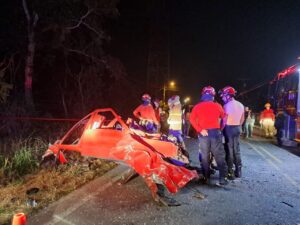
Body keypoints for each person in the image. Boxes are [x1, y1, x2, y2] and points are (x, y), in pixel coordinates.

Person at [190, 86, 228, 185]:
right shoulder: (217, 105)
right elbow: (224, 117)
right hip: (215, 133)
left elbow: (192, 119)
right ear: (213, 95)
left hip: (204, 134)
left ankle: (206, 177)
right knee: (219, 155)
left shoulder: (197, 106)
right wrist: (221, 128)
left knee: (204, 156)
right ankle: (222, 178)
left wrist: (200, 129)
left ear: (203, 94)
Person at [219, 86, 244, 179]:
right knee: (236, 150)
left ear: (228, 95)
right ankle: (239, 170)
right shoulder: (241, 105)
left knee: (229, 150)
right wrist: (238, 126)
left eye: (223, 96)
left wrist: (221, 129)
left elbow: (224, 121)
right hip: (237, 127)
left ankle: (230, 171)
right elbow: (242, 119)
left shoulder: (226, 106)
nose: (222, 98)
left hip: (229, 129)